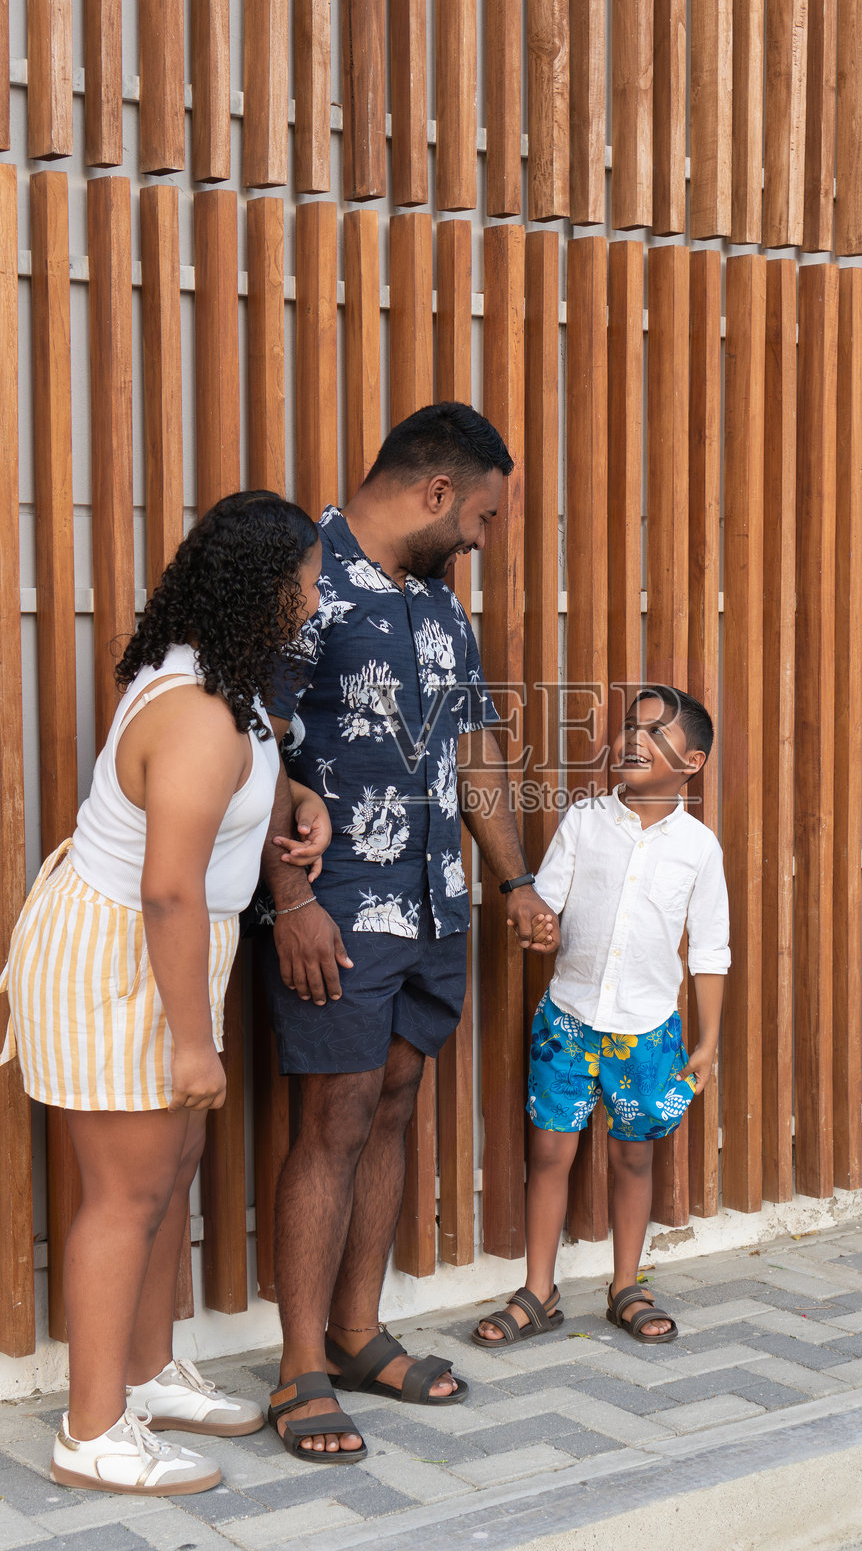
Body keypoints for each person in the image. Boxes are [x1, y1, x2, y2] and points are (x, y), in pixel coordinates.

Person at [0, 492, 330, 1496]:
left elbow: (237, 779)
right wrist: (194, 1042)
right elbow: (169, 888)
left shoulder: (218, 677)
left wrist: (296, 797)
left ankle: (143, 1376)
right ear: (266, 590)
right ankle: (92, 1432)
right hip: (123, 952)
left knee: (168, 1168)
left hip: (164, 946)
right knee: (127, 1194)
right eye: (310, 582)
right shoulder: (196, 713)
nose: (317, 601)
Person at [257, 402, 559, 1461]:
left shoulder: (439, 605)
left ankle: (355, 1334)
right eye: (480, 517)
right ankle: (298, 1369)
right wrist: (290, 900)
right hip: (336, 908)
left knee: (392, 1104)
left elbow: (472, 751)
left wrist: (513, 879)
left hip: (433, 904)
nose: (481, 538)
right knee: (332, 1121)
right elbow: (253, 747)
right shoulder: (305, 583)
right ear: (437, 492)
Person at [473, 686, 729, 1348]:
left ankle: (625, 1287)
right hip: (567, 1020)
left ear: (693, 763)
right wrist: (538, 925)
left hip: (648, 1033)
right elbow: (547, 900)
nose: (636, 739)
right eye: (631, 726)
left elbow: (709, 950)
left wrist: (707, 1043)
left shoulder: (698, 848)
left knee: (633, 1159)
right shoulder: (584, 821)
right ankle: (538, 1291)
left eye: (658, 732)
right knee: (548, 1152)